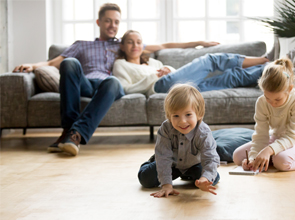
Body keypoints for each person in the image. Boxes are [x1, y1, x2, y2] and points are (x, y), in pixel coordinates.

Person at [13, 4, 218, 156]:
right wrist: (33, 66)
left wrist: (198, 42)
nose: (113, 25)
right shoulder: (81, 44)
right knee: (70, 63)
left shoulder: (123, 44)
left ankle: (75, 135)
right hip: (86, 83)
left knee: (112, 82)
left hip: (110, 86)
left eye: (116, 21)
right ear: (99, 22)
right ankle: (69, 130)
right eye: (108, 21)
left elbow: (165, 45)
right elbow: (54, 62)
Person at [113, 30, 280, 97]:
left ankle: (275, 67)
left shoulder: (153, 62)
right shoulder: (121, 65)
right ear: (122, 45)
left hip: (180, 88)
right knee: (209, 60)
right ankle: (265, 58)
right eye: (130, 42)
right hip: (160, 87)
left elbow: (175, 74)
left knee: (231, 77)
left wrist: (168, 69)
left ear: (143, 45)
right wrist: (153, 76)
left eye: (138, 42)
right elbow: (124, 89)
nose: (135, 46)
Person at [232, 57, 295, 172]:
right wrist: (252, 159)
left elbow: (292, 136)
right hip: (277, 138)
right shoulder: (261, 102)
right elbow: (260, 135)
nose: (272, 103)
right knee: (238, 156)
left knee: (281, 162)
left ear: (289, 89)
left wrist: (268, 150)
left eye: (278, 100)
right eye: (267, 98)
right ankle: (268, 159)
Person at [138, 84, 220, 197]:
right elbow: (164, 158)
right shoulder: (166, 129)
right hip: (171, 163)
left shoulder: (203, 132)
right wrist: (166, 185)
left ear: (199, 114)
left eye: (188, 114)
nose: (182, 121)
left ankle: (187, 174)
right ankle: (152, 160)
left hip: (194, 163)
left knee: (213, 179)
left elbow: (210, 159)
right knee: (145, 179)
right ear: (169, 116)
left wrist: (204, 179)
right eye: (176, 116)